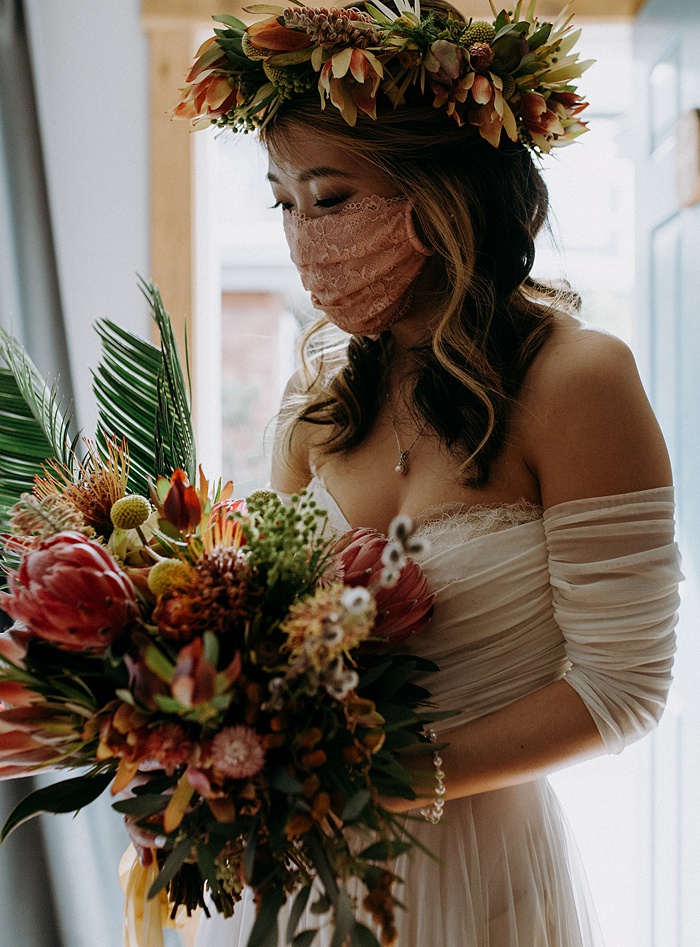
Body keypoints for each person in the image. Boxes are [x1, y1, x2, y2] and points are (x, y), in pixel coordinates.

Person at [171, 3, 683, 944]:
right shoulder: (315, 397)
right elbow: (264, 638)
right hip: (305, 886)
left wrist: (384, 781)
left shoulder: (579, 381)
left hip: (482, 880)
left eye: (329, 199)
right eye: (282, 202)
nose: (302, 242)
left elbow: (625, 686)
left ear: (445, 191)